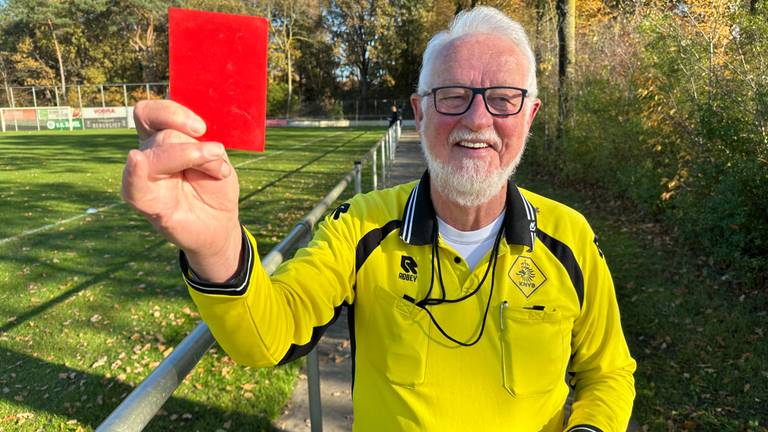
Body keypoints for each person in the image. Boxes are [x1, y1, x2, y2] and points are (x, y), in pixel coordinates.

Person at [122, 6, 635, 431]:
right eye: (452, 96)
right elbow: (269, 336)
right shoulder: (360, 228)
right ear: (419, 111)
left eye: (503, 99)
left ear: (530, 115)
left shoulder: (570, 237)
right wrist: (214, 247)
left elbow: (609, 372)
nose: (478, 120)